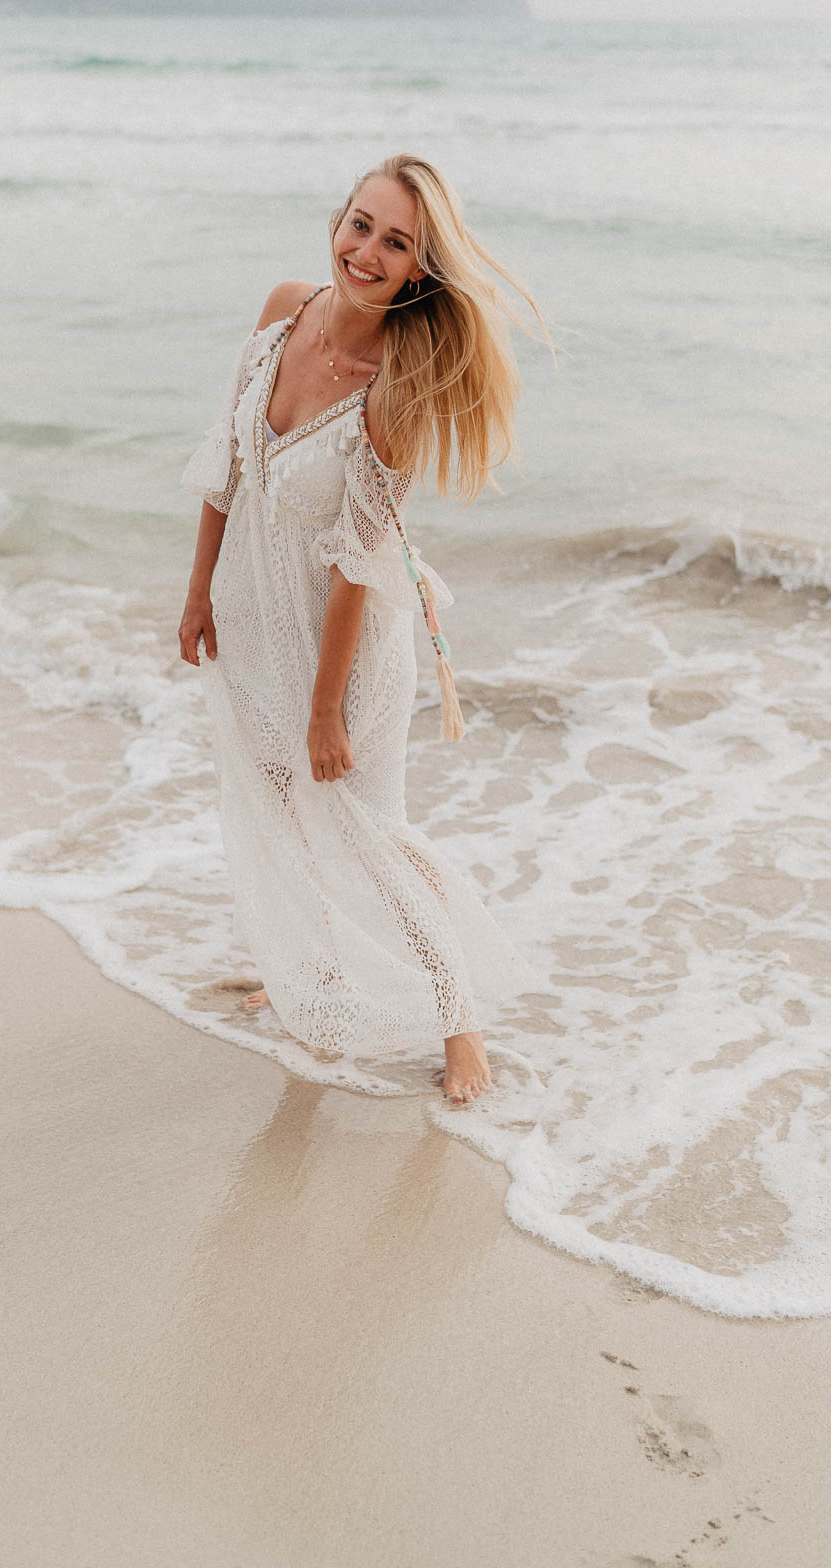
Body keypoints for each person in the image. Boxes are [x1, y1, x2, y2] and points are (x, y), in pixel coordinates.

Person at [178, 154, 549, 1105]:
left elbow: (355, 561)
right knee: (276, 810)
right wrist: (198, 594)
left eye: (396, 243)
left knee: (368, 836)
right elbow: (226, 460)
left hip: (342, 657)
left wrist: (325, 710)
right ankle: (315, 977)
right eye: (359, 224)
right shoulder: (281, 310)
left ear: (420, 270)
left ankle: (457, 1020)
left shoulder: (398, 387)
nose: (366, 251)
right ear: (335, 222)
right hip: (254, 620)